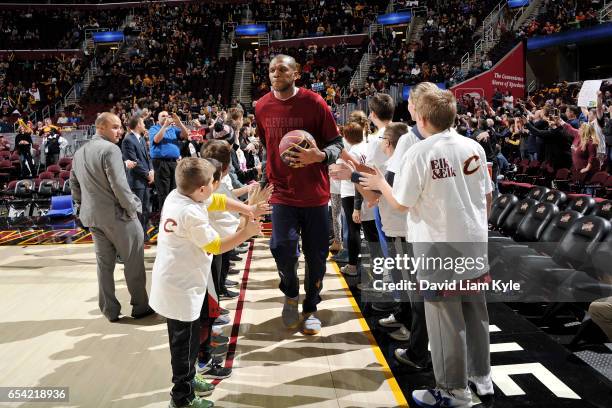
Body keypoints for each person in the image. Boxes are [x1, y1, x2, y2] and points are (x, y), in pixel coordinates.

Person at [365, 89, 494, 406]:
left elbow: (401, 203)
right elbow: (488, 197)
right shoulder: (473, 146)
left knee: (445, 321)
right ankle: (482, 379)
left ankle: (453, 390)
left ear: (420, 118)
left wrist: (381, 182)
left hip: (438, 247)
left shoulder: (420, 153)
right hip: (474, 243)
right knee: (475, 314)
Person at [149, 157, 261, 408]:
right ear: (201, 188)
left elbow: (217, 200)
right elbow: (217, 245)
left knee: (187, 342)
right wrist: (246, 233)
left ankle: (189, 378)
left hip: (179, 282)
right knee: (184, 347)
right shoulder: (189, 213)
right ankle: (182, 397)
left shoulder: (179, 195)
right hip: (180, 288)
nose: (215, 187)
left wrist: (247, 210)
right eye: (213, 182)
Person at [255, 54, 343, 335]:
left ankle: (312, 306)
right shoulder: (261, 107)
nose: (275, 73)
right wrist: (262, 182)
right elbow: (267, 146)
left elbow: (337, 143)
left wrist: (320, 156)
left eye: (282, 69)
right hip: (282, 193)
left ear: (296, 74)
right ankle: (291, 293)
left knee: (316, 256)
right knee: (281, 248)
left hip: (315, 195)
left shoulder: (315, 103)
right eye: (271, 70)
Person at [70, 112, 152, 323]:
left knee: (104, 266)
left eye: (120, 127)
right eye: (115, 127)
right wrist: (133, 207)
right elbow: (119, 185)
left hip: (94, 218)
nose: (120, 131)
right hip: (119, 216)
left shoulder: (79, 152)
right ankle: (140, 307)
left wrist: (81, 208)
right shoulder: (110, 149)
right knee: (133, 263)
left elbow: (74, 185)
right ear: (101, 128)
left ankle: (109, 310)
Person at [149, 111, 190, 210]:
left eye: (167, 116)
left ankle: (173, 216)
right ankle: (164, 219)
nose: (166, 117)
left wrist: (179, 122)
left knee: (174, 191)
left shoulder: (173, 129)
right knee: (164, 193)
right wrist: (165, 126)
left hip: (173, 163)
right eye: (163, 116)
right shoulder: (154, 128)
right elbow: (156, 139)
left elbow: (186, 135)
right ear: (157, 119)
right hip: (161, 163)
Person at [122, 115, 154, 239]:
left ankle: (143, 234)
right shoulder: (128, 140)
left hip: (145, 180)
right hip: (136, 181)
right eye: (143, 123)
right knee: (137, 210)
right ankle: (136, 235)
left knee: (146, 208)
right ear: (138, 125)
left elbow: (148, 158)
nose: (145, 125)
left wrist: (152, 171)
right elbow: (134, 162)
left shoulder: (141, 139)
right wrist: (147, 174)